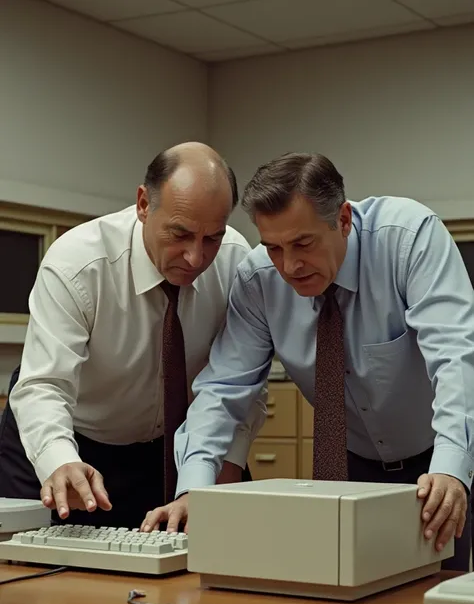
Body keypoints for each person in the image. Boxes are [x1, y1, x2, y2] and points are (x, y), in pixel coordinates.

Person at [144, 151, 474, 571]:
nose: (290, 265)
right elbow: (224, 389)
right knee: (343, 598)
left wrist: (451, 469)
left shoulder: (409, 239)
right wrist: (194, 490)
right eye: (274, 248)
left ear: (343, 220)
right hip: (352, 465)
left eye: (302, 244)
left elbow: (457, 357)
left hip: (441, 458)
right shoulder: (259, 280)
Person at [0, 142, 267, 530]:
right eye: (180, 234)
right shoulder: (78, 264)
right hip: (73, 437)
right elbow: (44, 385)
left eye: (212, 237)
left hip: (175, 445)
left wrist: (229, 463)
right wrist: (59, 460)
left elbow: (243, 383)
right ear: (143, 204)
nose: (196, 258)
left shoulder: (234, 261)